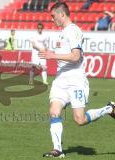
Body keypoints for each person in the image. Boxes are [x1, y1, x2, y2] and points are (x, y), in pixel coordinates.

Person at [38, 2, 115, 158]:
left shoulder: (73, 31)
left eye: (53, 16)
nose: (52, 20)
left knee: (79, 120)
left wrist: (52, 55)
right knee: (54, 111)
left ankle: (108, 109)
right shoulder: (63, 32)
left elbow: (76, 56)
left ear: (62, 14)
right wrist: (52, 54)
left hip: (75, 80)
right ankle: (57, 150)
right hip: (61, 79)